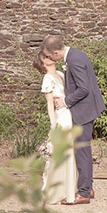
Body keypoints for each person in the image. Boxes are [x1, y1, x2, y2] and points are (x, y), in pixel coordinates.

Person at [41, 35, 106, 205]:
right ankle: (88, 187)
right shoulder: (76, 54)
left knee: (82, 152)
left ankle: (83, 193)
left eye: (49, 55)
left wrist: (66, 101)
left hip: (83, 111)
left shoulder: (74, 60)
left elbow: (83, 88)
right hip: (86, 109)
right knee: (83, 150)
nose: (49, 59)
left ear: (56, 52)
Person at [33, 50, 77, 204]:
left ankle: (69, 189)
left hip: (70, 113)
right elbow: (50, 104)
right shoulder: (47, 79)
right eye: (45, 57)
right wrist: (53, 125)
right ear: (42, 63)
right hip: (61, 117)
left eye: (48, 55)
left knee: (70, 150)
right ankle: (54, 191)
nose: (49, 57)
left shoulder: (60, 73)